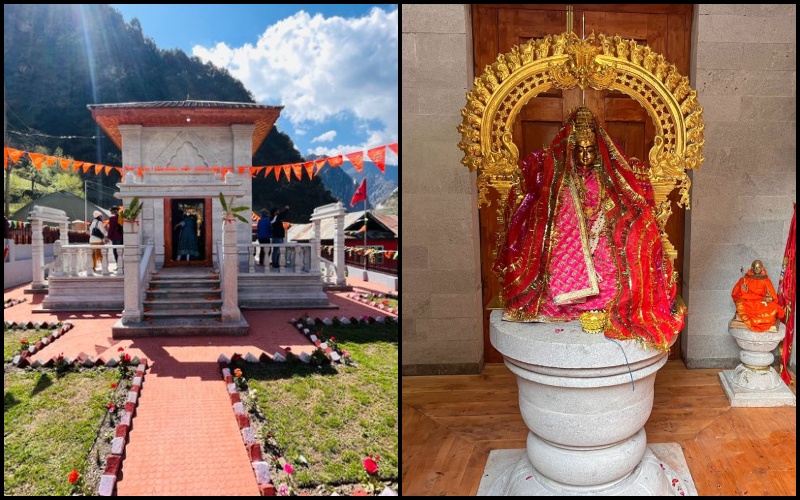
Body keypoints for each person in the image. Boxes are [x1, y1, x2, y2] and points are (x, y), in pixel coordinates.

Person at [493, 105, 683, 350]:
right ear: (571, 151)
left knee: (619, 270)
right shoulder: (561, 181)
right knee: (549, 255)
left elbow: (622, 207)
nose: (585, 156)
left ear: (599, 151)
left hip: (602, 237)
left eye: (590, 150)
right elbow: (548, 214)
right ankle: (568, 300)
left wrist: (604, 222)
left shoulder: (607, 179)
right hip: (567, 243)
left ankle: (601, 301)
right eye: (580, 151)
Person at [731, 260, 786, 332]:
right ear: (752, 268)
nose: (756, 269)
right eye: (755, 267)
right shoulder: (745, 279)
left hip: (762, 301)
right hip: (749, 301)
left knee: (774, 308)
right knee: (742, 304)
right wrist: (743, 290)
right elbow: (735, 294)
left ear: (762, 268)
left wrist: (769, 298)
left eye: (758, 267)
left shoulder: (766, 280)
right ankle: (751, 320)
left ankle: (760, 321)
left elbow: (772, 296)